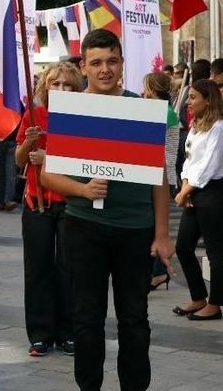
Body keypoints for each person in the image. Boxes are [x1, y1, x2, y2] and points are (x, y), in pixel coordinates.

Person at [40, 29, 175, 391]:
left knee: (135, 319)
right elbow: (48, 175)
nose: (104, 69)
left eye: (112, 61)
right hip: (84, 227)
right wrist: (82, 189)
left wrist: (162, 234)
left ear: (122, 65)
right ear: (83, 66)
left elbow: (159, 178)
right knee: (87, 319)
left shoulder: (140, 110)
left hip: (135, 230)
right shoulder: (71, 110)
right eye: (96, 62)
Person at [15, 62, 83, 357]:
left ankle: (68, 332)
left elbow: (85, 159)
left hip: (70, 202)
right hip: (37, 203)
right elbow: (19, 160)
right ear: (45, 87)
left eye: (68, 85)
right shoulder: (33, 115)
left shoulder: (81, 117)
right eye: (56, 84)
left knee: (69, 269)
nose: (61, 89)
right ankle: (40, 333)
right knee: (38, 269)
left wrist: (49, 156)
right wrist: (28, 142)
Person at [172, 79, 223, 321]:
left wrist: (184, 192)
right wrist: (185, 186)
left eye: (193, 97)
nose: (188, 103)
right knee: (183, 246)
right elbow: (189, 159)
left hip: (213, 192)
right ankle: (198, 297)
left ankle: (215, 304)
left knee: (215, 251)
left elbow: (208, 165)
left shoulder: (219, 128)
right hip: (193, 190)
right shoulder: (196, 126)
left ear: (208, 99)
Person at [141, 72, 180, 291]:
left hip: (161, 175)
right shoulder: (164, 111)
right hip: (158, 173)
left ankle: (158, 272)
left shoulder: (162, 112)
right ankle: (158, 272)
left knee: (155, 225)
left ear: (151, 87)